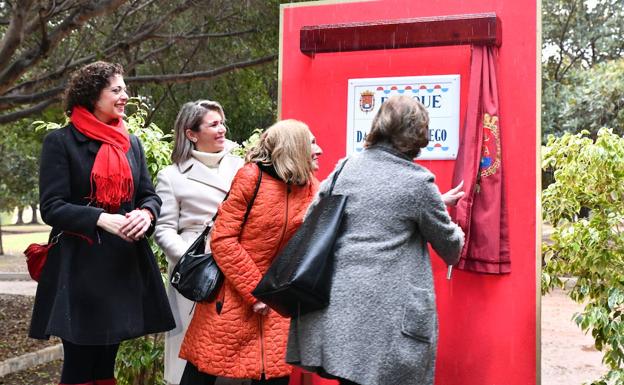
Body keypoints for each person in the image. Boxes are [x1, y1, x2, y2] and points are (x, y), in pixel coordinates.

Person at [286, 95, 465, 385]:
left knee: (351, 377)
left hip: (339, 305)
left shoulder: (346, 167)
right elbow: (450, 247)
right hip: (387, 315)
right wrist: (459, 231)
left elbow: (314, 219)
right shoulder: (418, 182)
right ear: (419, 133)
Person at [29, 61, 175, 385]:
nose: (125, 96)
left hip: (122, 267)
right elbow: (52, 207)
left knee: (106, 364)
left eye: (124, 89)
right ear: (93, 95)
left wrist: (146, 214)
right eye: (116, 90)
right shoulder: (60, 142)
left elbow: (148, 195)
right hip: (78, 269)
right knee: (80, 364)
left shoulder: (130, 142)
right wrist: (100, 218)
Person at [178, 119, 321, 385]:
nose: (319, 149)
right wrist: (255, 290)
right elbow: (223, 239)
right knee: (203, 371)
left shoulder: (309, 186)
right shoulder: (251, 176)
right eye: (311, 142)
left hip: (277, 300)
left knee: (275, 374)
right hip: (232, 296)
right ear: (293, 146)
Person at [154, 100, 244, 385]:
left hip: (236, 265)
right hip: (196, 272)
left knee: (230, 352)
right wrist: (190, 259)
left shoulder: (242, 167)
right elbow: (164, 229)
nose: (222, 129)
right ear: (192, 133)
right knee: (191, 357)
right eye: (213, 124)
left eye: (222, 123)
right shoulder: (171, 176)